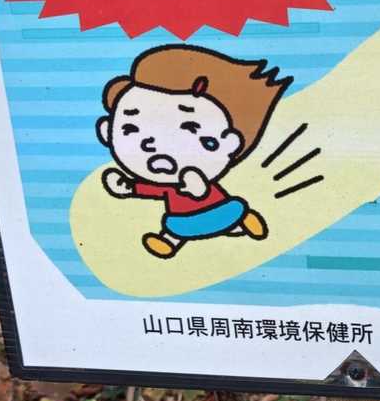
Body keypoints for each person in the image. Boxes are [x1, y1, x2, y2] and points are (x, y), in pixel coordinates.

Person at [96, 44, 289, 259]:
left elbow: (198, 191)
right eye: (131, 129)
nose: (155, 145)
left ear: (230, 143)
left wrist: (199, 187)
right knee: (181, 229)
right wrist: (128, 186)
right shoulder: (168, 185)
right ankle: (169, 242)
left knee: (227, 218)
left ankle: (244, 219)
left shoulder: (196, 176)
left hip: (217, 206)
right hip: (181, 217)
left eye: (190, 129)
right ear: (107, 131)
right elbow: (151, 190)